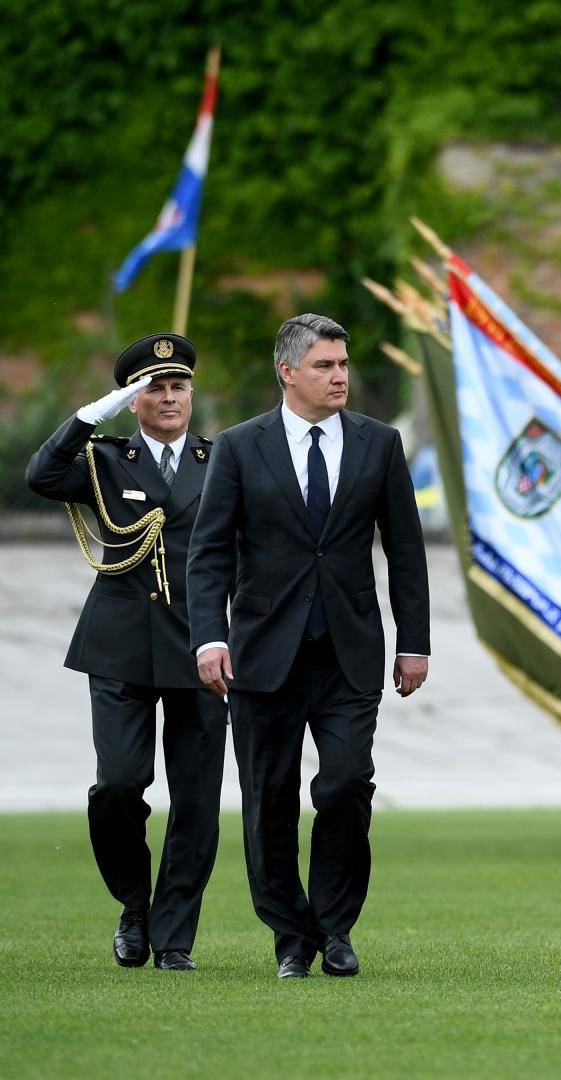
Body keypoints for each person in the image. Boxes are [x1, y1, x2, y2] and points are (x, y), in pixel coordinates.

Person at [187, 313, 431, 980]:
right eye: (325, 365)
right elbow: (207, 554)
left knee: (348, 782)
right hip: (262, 653)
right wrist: (209, 636)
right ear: (287, 372)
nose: (340, 376)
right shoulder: (239, 447)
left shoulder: (380, 444)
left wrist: (415, 643)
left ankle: (336, 926)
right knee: (269, 798)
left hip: (349, 651)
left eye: (344, 365)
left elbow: (406, 551)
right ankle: (290, 934)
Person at [26, 334, 226, 972]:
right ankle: (133, 906)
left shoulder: (220, 460)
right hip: (120, 645)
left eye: (178, 386)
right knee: (118, 784)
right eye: (154, 388)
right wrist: (92, 414)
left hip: (202, 645)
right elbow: (39, 476)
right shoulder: (104, 459)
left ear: (192, 394)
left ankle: (173, 937)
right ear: (133, 399)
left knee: (195, 799)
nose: (169, 397)